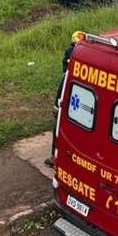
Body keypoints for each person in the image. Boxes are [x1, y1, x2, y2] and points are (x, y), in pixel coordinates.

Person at [46, 31, 85, 167]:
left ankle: (54, 157)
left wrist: (56, 109)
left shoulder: (67, 77)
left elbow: (60, 95)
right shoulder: (86, 68)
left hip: (69, 110)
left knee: (58, 130)